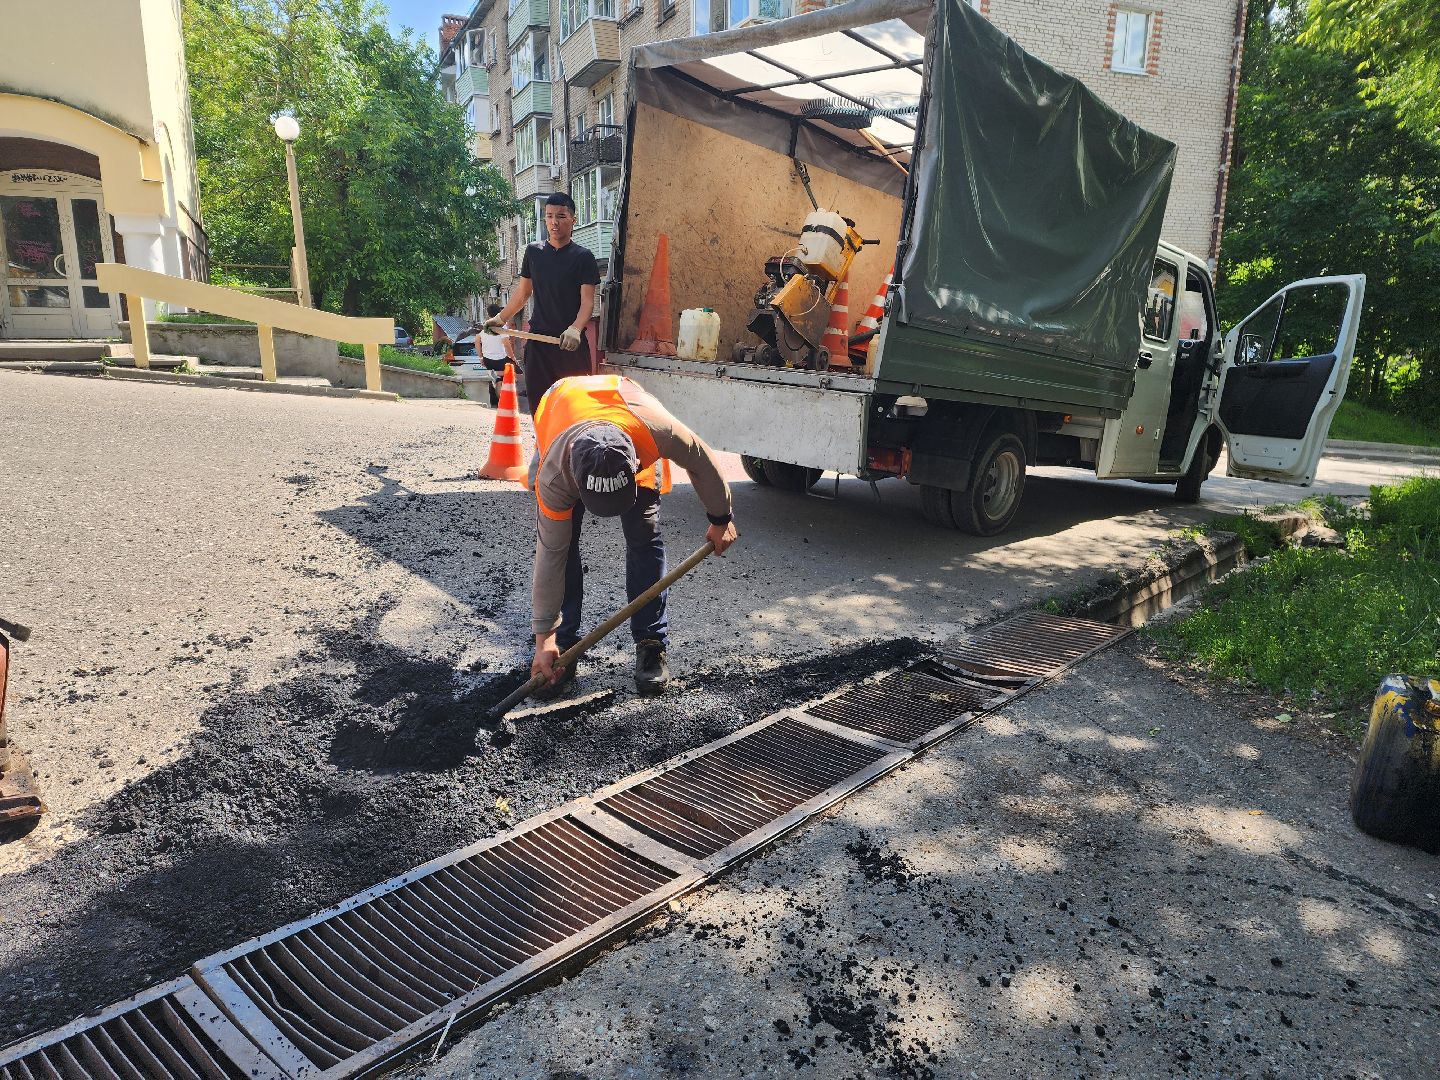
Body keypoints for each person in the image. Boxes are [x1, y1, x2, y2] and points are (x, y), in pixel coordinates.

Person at [528, 373, 738, 700]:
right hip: (563, 410)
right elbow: (550, 555)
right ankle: (564, 647)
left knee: (645, 533)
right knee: (563, 546)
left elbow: (701, 460)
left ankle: (651, 643)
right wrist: (545, 640)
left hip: (626, 415)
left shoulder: (657, 431)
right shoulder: (554, 477)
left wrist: (721, 517)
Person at [484, 192, 599, 413]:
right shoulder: (534, 253)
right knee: (540, 409)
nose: (554, 222)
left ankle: (571, 449)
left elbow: (587, 302)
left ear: (573, 220)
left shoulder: (583, 257)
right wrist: (501, 318)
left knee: (574, 409)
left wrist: (576, 329)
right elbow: (522, 293)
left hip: (569, 345)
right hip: (538, 344)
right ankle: (543, 448)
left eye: (561, 216)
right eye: (549, 216)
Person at [478, 302, 514, 374]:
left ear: (488, 314)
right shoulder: (501, 325)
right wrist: (512, 358)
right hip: (500, 358)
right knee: (501, 379)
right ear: (500, 312)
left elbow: (477, 342)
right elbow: (506, 344)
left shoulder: (484, 326)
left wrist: (481, 357)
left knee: (491, 379)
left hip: (487, 359)